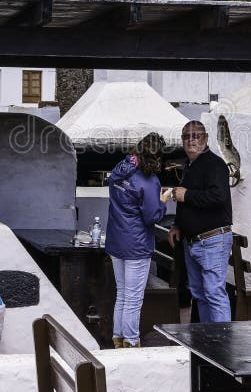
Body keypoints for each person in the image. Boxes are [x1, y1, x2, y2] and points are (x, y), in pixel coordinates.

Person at [105, 132, 170, 348]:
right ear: (157, 157)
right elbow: (152, 216)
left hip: (116, 242)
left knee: (122, 293)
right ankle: (131, 342)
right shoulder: (149, 181)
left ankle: (118, 339)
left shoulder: (119, 171)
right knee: (133, 298)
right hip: (136, 245)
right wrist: (163, 200)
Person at [167, 120, 233, 323]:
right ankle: (207, 343)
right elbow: (185, 201)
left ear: (205, 138)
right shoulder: (189, 165)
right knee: (199, 294)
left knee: (214, 293)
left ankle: (222, 346)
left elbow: (218, 197)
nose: (191, 140)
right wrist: (177, 224)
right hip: (192, 241)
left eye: (195, 135)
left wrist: (186, 195)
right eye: (186, 136)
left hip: (212, 240)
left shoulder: (215, 164)